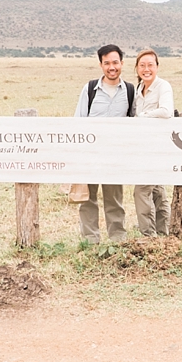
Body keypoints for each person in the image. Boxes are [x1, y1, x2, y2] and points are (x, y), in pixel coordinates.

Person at [73, 44, 135, 243]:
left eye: (115, 62)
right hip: (90, 154)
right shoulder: (90, 89)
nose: (112, 67)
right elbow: (79, 120)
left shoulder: (130, 91)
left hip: (115, 156)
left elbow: (134, 122)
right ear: (101, 65)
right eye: (107, 63)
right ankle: (90, 240)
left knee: (114, 199)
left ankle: (118, 239)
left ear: (122, 64)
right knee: (87, 199)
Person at [132, 48, 174, 237]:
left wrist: (143, 116)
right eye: (142, 65)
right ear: (137, 69)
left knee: (141, 191)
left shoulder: (162, 86)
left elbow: (166, 111)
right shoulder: (138, 90)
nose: (146, 69)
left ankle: (149, 236)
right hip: (142, 147)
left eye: (150, 65)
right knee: (157, 190)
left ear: (157, 67)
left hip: (158, 147)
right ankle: (164, 234)